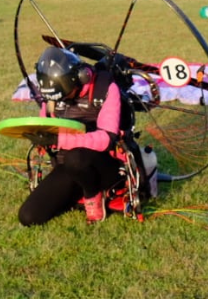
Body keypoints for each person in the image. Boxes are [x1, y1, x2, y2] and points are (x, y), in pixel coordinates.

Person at [18, 46, 134, 226]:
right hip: (68, 167)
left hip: (107, 166)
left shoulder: (105, 88)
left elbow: (107, 138)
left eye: (65, 95)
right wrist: (42, 138)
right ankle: (76, 191)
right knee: (29, 217)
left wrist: (60, 140)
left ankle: (94, 195)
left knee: (76, 158)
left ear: (81, 78)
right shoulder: (53, 98)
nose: (61, 101)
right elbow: (48, 126)